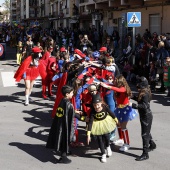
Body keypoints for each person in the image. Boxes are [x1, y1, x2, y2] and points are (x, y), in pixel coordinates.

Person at [100, 75, 138, 151]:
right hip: (119, 109)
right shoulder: (117, 87)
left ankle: (127, 143)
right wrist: (101, 82)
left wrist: (107, 86)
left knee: (123, 126)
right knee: (118, 124)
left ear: (120, 82)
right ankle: (121, 138)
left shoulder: (123, 89)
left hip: (125, 109)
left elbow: (116, 88)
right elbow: (111, 85)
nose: (114, 82)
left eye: (116, 81)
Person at [46, 85, 75, 164]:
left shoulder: (62, 101)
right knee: (65, 139)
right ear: (67, 94)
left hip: (60, 124)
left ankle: (65, 153)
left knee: (61, 139)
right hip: (65, 125)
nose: (73, 94)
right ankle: (63, 156)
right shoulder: (68, 104)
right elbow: (70, 117)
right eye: (72, 93)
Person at [87, 93, 119, 163]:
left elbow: (111, 113)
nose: (96, 107)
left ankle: (108, 147)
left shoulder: (104, 107)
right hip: (97, 125)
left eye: (98, 104)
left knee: (107, 137)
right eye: (94, 105)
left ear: (101, 103)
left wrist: (116, 120)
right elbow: (90, 122)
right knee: (100, 140)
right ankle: (103, 154)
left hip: (105, 123)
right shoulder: (93, 112)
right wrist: (88, 134)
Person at [131, 77, 156, 161]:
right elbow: (139, 101)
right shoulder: (144, 91)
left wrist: (132, 105)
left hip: (146, 116)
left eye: (139, 84)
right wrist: (132, 96)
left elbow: (144, 106)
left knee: (144, 135)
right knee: (147, 131)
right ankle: (152, 144)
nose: (137, 85)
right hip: (144, 116)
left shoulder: (145, 93)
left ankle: (145, 154)